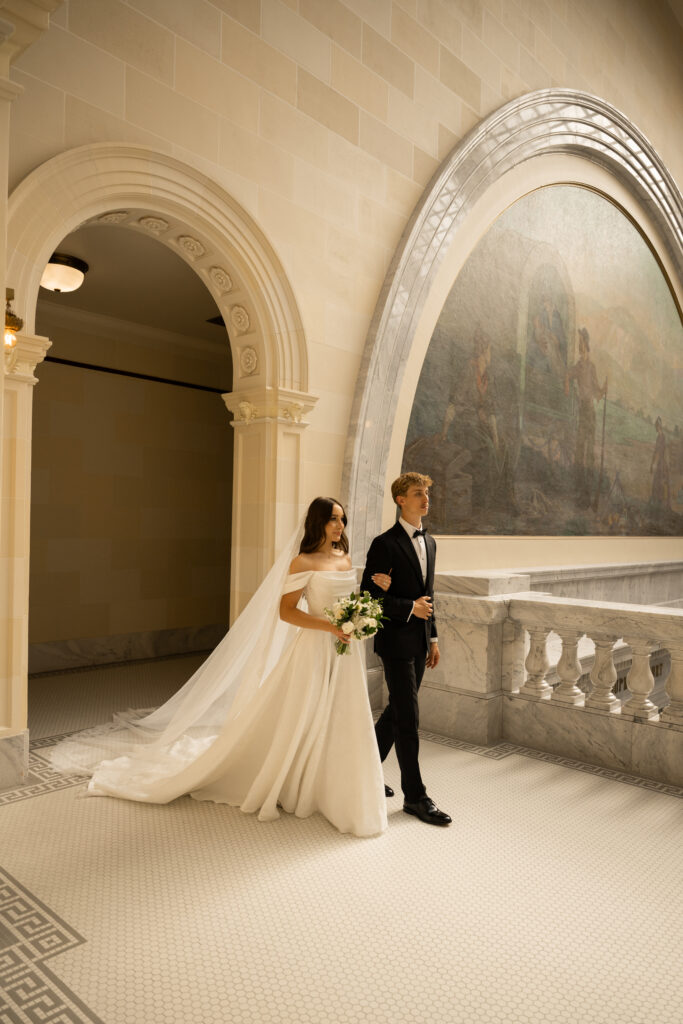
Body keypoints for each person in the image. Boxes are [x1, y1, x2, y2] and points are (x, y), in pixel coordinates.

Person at [49, 498, 387, 838]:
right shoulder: (303, 561)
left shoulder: (344, 558)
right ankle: (296, 778)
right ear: (317, 523)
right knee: (304, 712)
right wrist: (329, 627)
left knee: (342, 714)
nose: (339, 526)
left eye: (341, 520)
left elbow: (352, 602)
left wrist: (357, 619)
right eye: (332, 519)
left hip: (346, 650)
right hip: (315, 648)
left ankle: (334, 783)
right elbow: (286, 611)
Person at [361, 472, 451, 827]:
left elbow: (430, 596)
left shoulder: (430, 543)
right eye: (418, 493)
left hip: (418, 642)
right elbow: (370, 598)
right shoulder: (384, 544)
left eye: (427, 492)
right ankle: (415, 797)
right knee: (408, 719)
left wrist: (433, 637)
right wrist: (409, 608)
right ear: (401, 500)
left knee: (397, 712)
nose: (425, 498)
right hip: (394, 642)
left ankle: (365, 771)